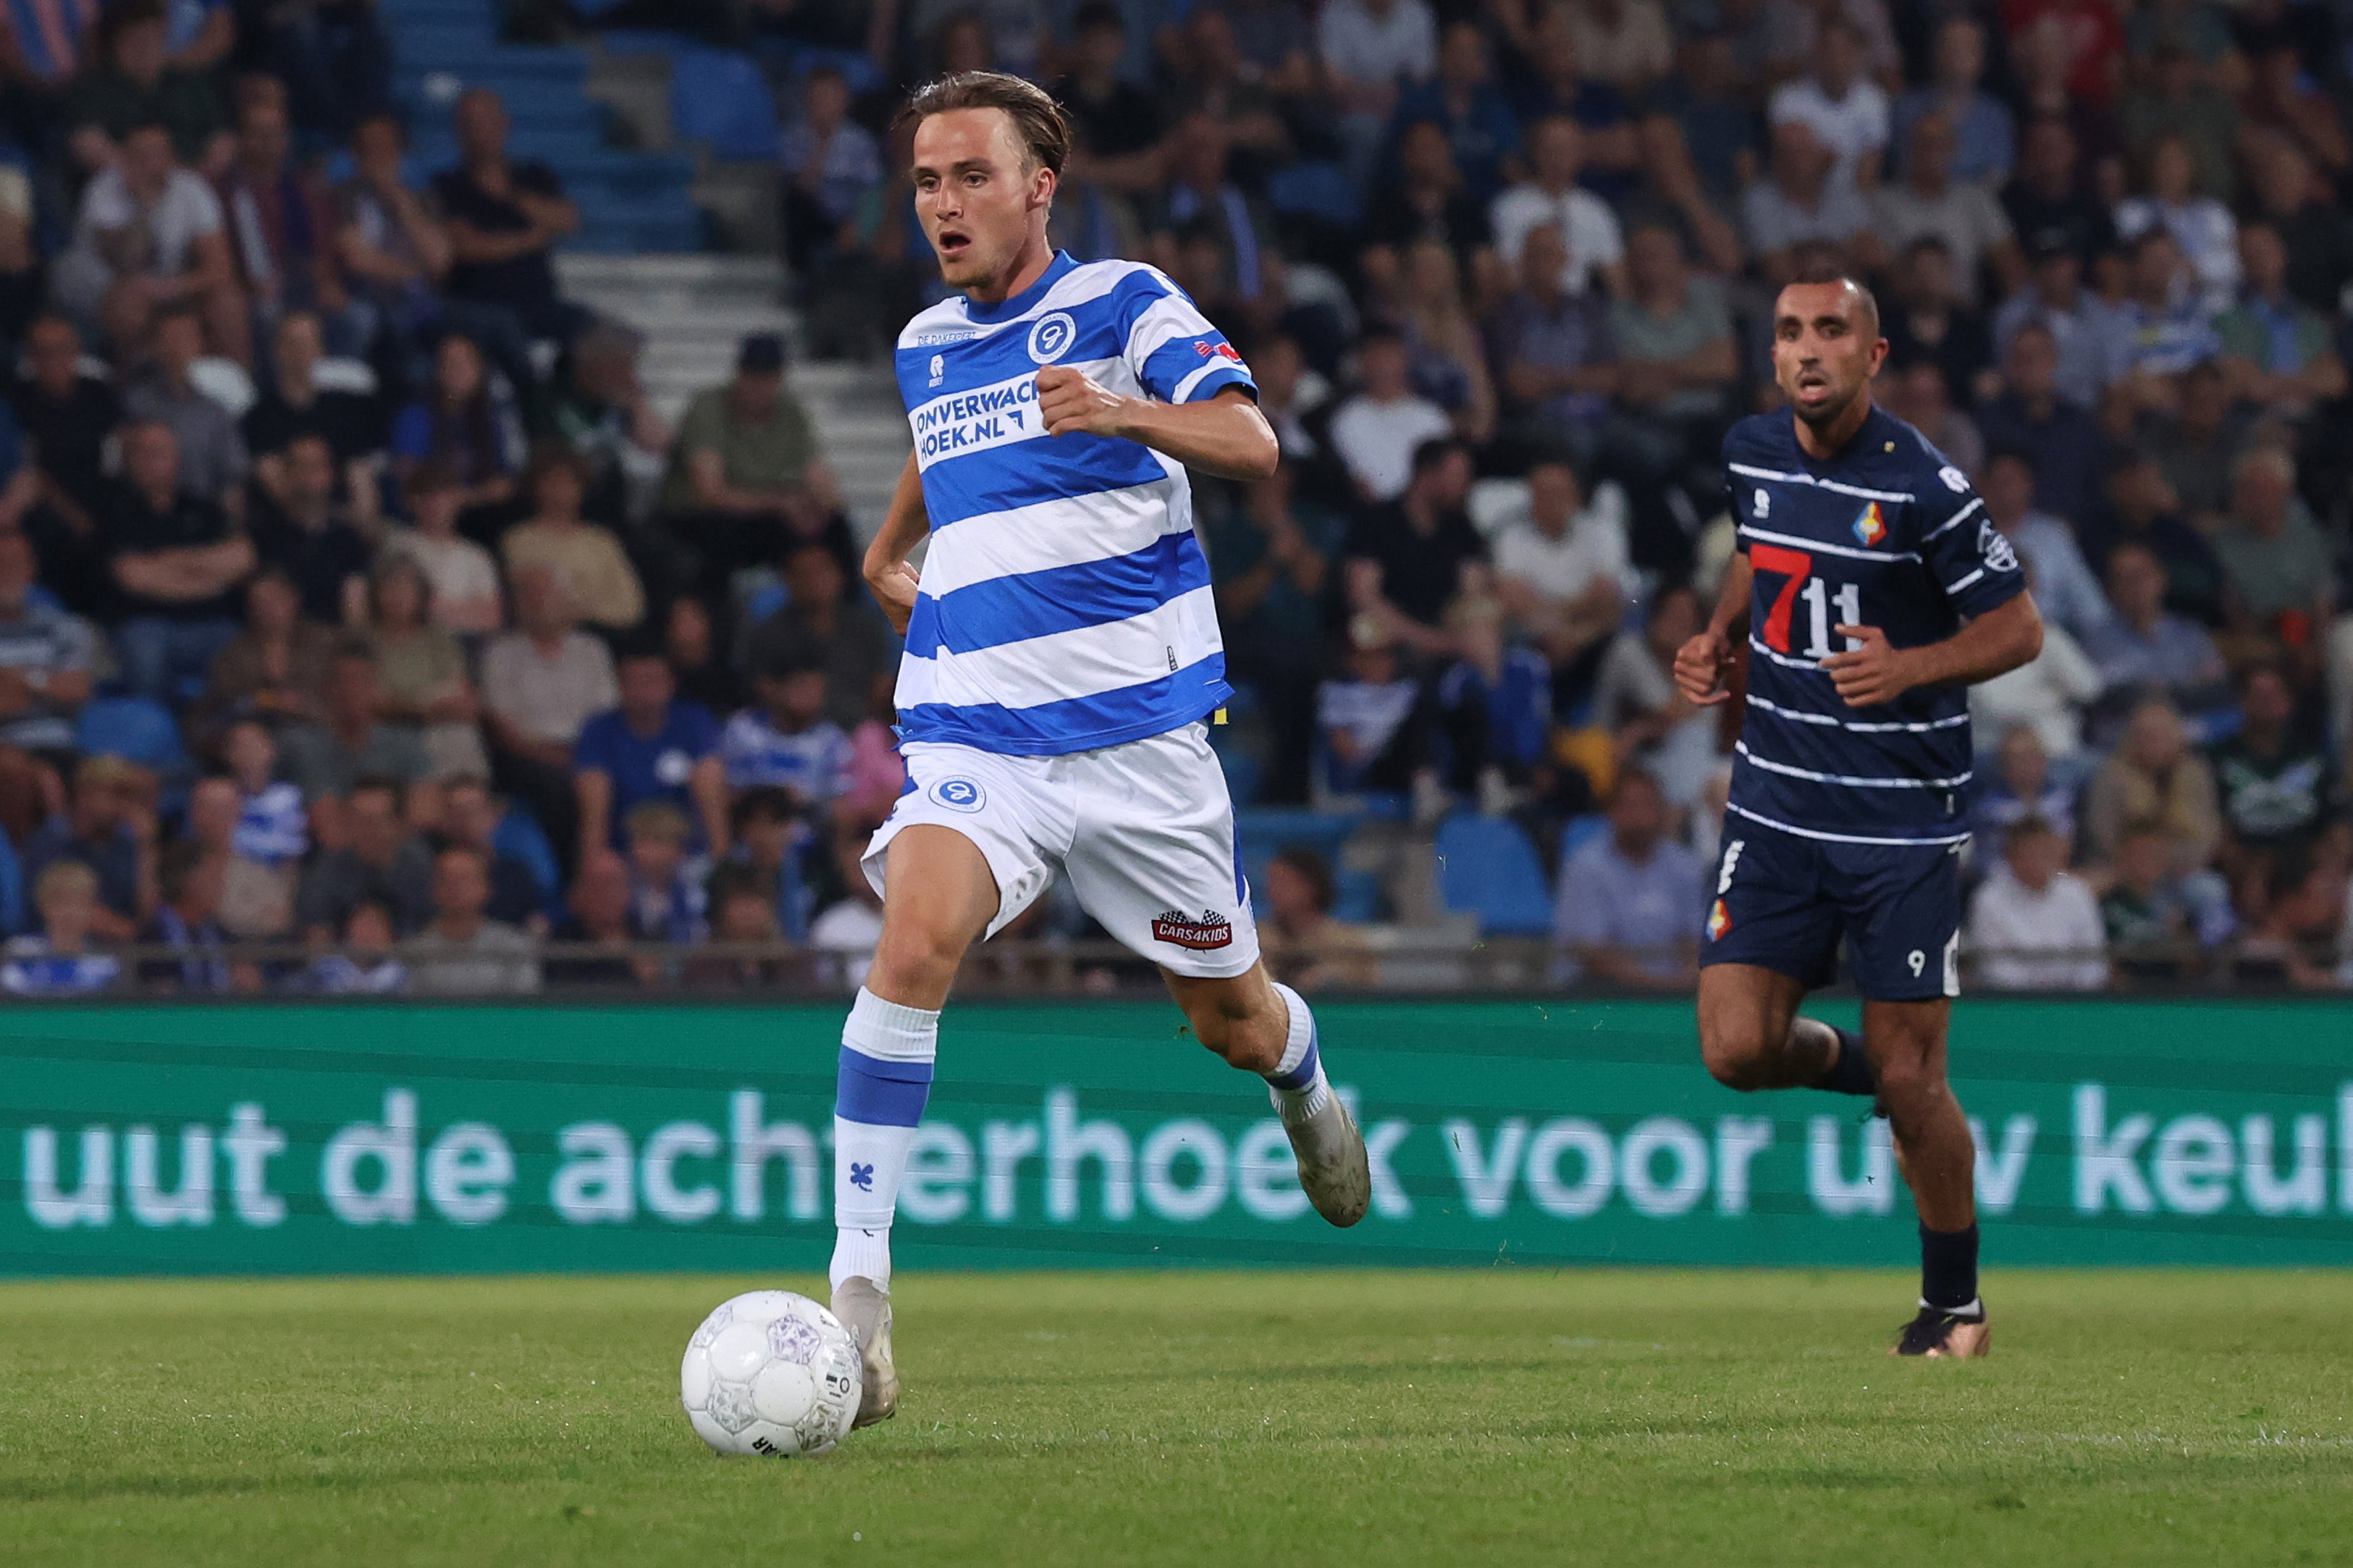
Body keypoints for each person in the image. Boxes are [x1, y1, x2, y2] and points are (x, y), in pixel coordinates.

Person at [834, 70, 1371, 1427]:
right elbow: (944, 438)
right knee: (914, 936)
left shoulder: (1126, 304)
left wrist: (1124, 411)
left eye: (968, 177)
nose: (942, 205)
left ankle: (1302, 1077)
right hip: (979, 731)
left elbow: (1249, 439)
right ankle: (860, 1289)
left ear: (1038, 187)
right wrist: (893, 546)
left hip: (1142, 751)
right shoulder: (923, 342)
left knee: (1229, 1023)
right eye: (924, 183)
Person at [1673, 264, 2044, 1357]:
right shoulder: (1750, 450)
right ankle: (1871, 1071)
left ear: (1871, 354)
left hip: (1898, 826)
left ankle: (1955, 1305)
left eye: (1830, 331)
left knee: (1915, 1076)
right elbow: (1760, 549)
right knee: (1735, 1049)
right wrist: (1718, 636)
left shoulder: (1925, 486)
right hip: (1778, 805)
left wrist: (1914, 665)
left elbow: (2017, 628)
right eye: (1790, 331)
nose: (1807, 349)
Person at [657, 333, 852, 588]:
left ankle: (850, 614)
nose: (758, 386)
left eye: (767, 376)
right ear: (739, 373)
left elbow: (816, 475)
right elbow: (710, 494)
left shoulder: (790, 413)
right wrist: (782, 503)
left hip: (764, 518)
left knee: (835, 529)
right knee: (723, 536)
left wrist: (822, 508)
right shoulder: (709, 409)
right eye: (752, 375)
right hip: (698, 517)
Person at [103, 419, 253, 704]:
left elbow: (241, 559)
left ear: (177, 459)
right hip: (145, 624)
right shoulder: (115, 513)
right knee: (144, 650)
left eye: (159, 453)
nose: (151, 462)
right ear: (129, 461)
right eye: (142, 454)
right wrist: (208, 575)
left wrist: (168, 562)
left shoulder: (203, 509)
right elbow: (134, 577)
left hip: (211, 624)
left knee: (241, 647)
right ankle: (158, 734)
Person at [571, 644, 725, 859]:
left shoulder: (694, 721)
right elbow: (594, 806)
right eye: (633, 682)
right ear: (619, 685)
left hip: (686, 850)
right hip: (626, 852)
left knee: (710, 772)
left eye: (651, 681)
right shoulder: (599, 729)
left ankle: (720, 864)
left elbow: (710, 784)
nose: (642, 692)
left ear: (671, 684)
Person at [1554, 768, 1703, 988]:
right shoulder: (1586, 867)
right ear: (1612, 811)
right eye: (1631, 806)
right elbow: (1590, 952)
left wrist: (1687, 977)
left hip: (1675, 993)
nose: (1640, 816)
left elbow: (1694, 940)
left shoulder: (1684, 866)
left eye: (1648, 805)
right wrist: (1655, 984)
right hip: (1603, 994)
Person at [499, 444, 643, 633]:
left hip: (604, 638)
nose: (559, 490)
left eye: (568, 482)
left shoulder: (602, 540)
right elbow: (533, 604)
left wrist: (581, 611)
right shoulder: (518, 539)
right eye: (551, 482)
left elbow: (630, 607)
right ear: (535, 487)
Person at [1964, 814, 2108, 990]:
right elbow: (1994, 967)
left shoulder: (2078, 893)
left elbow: (2094, 959)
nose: (2038, 861)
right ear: (2011, 857)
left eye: (2045, 852)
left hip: (2075, 1002)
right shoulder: (1989, 899)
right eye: (2029, 854)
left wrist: (2077, 994)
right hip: (2014, 1004)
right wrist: (2037, 997)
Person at [404, 843, 538, 995]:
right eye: (446, 880)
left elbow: (525, 1006)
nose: (455, 888)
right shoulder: (414, 952)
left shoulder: (515, 947)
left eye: (464, 880)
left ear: (486, 888)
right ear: (434, 888)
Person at [3, 860, 121, 995]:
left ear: (92, 907)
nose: (70, 911)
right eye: (62, 901)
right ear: (43, 904)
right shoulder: (19, 954)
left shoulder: (104, 966)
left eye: (80, 902)